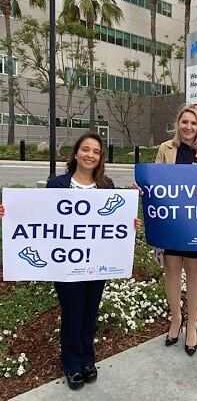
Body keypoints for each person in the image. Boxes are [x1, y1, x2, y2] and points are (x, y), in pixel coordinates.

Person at [45, 132, 142, 390]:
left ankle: (88, 359)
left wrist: (130, 223)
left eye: (96, 151)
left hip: (97, 261)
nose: (90, 155)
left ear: (100, 158)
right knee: (73, 313)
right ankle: (72, 363)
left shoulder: (106, 186)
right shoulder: (57, 185)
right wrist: (11, 215)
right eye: (85, 149)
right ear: (76, 153)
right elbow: (40, 219)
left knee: (90, 312)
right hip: (66, 262)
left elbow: (115, 219)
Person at [135, 103, 197, 356]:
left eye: (193, 123)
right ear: (178, 125)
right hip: (170, 222)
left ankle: (192, 325)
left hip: (195, 224)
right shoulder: (165, 149)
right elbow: (154, 181)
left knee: (194, 273)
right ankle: (176, 320)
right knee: (171, 270)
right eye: (184, 122)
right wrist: (143, 187)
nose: (188, 126)